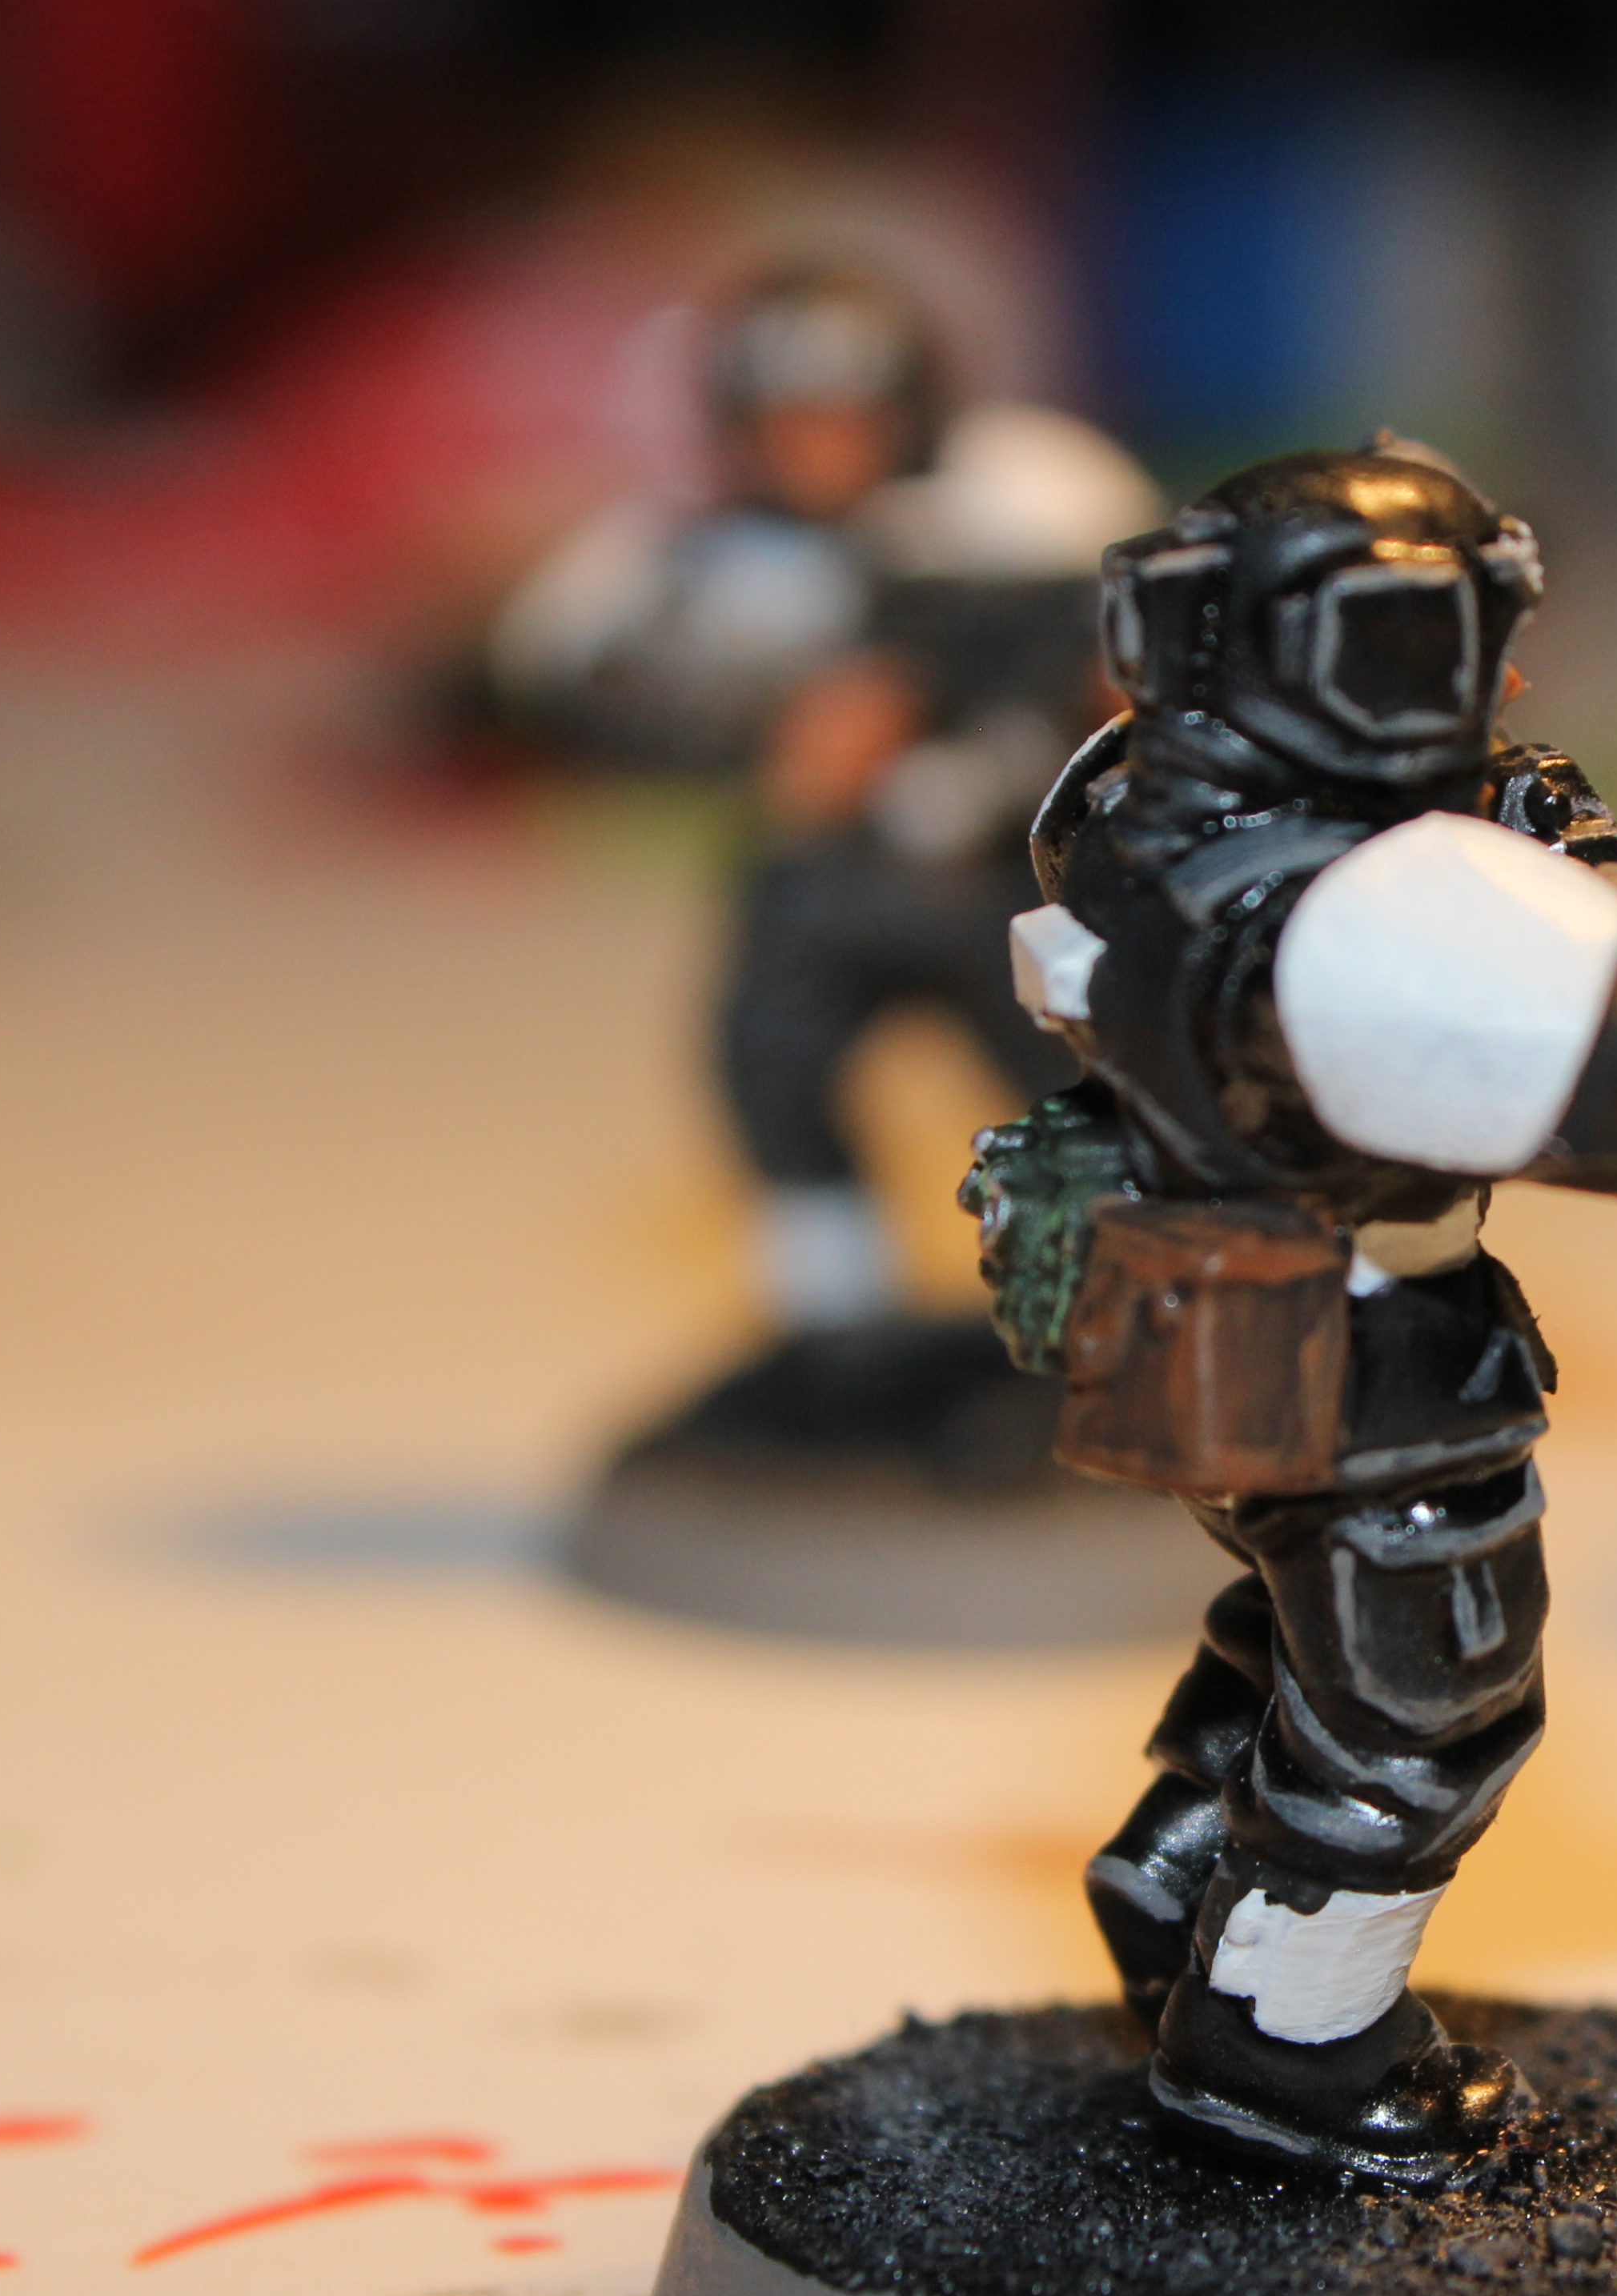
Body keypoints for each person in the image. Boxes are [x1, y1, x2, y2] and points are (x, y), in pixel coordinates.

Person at [973, 447, 1617, 2184]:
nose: (1499, 678)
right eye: (1443, 636)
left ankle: (1183, 1872)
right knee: (1430, 1705)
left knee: (1300, 1631)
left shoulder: (1131, 802)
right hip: (1361, 1343)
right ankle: (1285, 2039)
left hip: (1193, 1316)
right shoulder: (1356, 907)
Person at [490, 263, 1160, 1472]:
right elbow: (567, 686)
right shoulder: (700, 558)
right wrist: (756, 733)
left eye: (849, 419)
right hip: (816, 892)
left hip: (1003, 887)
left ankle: (1104, 1337)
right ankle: (840, 1342)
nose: (820, 451)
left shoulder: (1024, 504)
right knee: (776, 1082)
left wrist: (951, 715)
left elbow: (1117, 664)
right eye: (787, 424)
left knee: (1077, 1104)